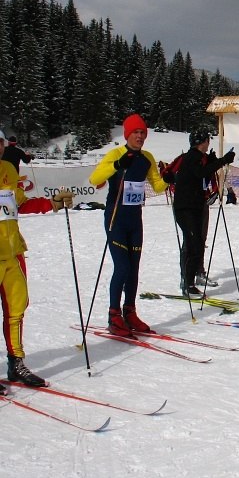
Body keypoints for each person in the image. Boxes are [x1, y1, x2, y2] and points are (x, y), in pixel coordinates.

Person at [0, 130, 73, 391]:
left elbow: (19, 204)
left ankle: (16, 363)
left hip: (12, 252)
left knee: (16, 309)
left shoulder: (8, 169)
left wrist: (52, 203)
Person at [88, 114, 168, 337]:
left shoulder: (147, 158)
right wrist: (117, 165)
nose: (140, 136)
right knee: (122, 267)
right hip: (116, 218)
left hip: (135, 219)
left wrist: (168, 178)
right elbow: (95, 179)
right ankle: (114, 315)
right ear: (127, 134)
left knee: (133, 269)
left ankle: (129, 312)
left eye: (143, 132)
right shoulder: (116, 154)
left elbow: (157, 185)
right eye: (136, 132)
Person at [172, 130, 234, 298]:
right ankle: (187, 283)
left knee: (197, 244)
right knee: (193, 244)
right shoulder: (192, 156)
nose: (209, 144)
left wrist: (214, 161)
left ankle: (190, 281)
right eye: (208, 140)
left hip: (195, 206)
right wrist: (222, 161)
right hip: (185, 208)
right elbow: (200, 173)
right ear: (204, 141)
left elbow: (202, 173)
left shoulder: (198, 157)